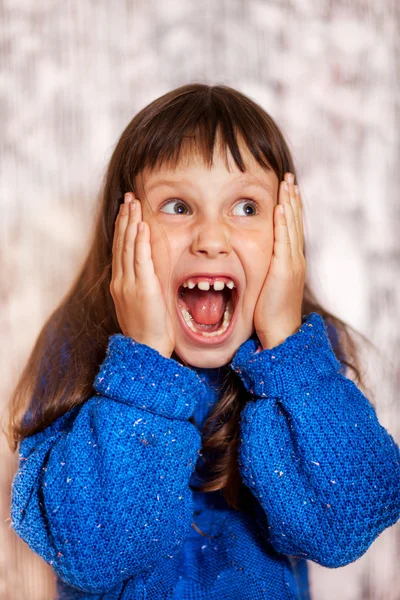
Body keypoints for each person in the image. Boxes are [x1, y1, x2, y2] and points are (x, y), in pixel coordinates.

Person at [5, 83, 400, 600]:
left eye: (246, 208)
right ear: (120, 230)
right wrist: (143, 361)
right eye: (177, 206)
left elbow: (341, 529)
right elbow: (90, 553)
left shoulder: (304, 364)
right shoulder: (77, 350)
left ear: (290, 233)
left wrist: (285, 347)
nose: (211, 238)